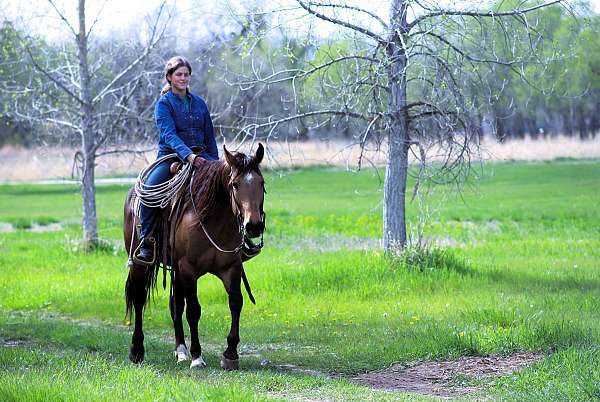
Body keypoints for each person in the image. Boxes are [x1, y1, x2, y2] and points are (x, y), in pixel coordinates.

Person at [136, 56, 219, 264]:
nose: (183, 78)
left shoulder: (199, 103)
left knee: (230, 185)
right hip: (170, 157)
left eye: (186, 74)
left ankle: (239, 240)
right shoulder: (163, 104)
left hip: (203, 157)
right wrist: (189, 156)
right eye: (179, 74)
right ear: (170, 77)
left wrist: (216, 164)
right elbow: (169, 135)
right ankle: (147, 242)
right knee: (148, 190)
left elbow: (210, 136)